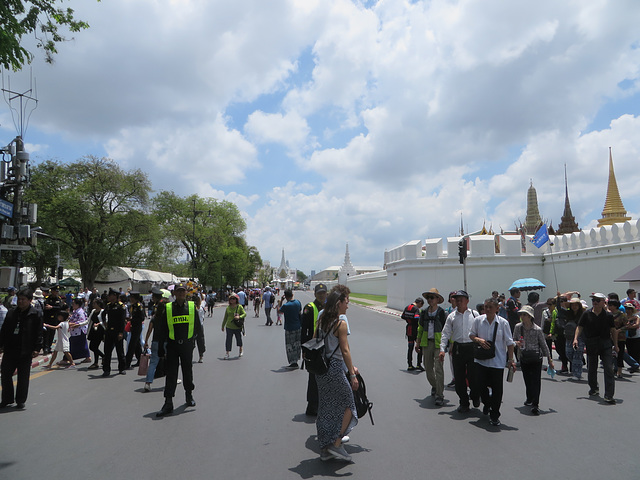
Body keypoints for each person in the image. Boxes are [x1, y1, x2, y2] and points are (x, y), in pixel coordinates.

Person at [315, 284, 358, 462]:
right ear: (339, 303)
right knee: (349, 405)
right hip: (334, 367)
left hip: (321, 368)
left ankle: (325, 447)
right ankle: (337, 443)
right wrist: (352, 374)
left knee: (326, 407)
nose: (347, 305)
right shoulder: (340, 323)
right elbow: (345, 350)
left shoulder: (322, 318)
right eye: (346, 302)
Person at [155, 283, 203, 417]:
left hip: (187, 346)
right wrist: (160, 348)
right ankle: (168, 403)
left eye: (183, 291)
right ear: (174, 293)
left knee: (187, 372)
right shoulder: (168, 308)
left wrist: (201, 347)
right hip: (172, 346)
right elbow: (162, 329)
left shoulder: (192, 307)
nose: (181, 293)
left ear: (186, 292)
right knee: (171, 375)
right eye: (179, 291)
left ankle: (189, 396)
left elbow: (199, 329)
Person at [469, 297, 516, 426]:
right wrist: (480, 340)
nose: (488, 309)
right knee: (480, 386)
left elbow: (510, 343)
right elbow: (471, 335)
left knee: (497, 390)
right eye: (486, 307)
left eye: (490, 307)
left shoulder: (503, 323)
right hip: (481, 361)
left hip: (497, 362)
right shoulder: (478, 320)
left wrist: (510, 360)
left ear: (497, 308)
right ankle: (487, 403)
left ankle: (495, 414)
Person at [0, 289, 43, 409]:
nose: (20, 301)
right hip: (10, 349)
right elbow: (4, 330)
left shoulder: (35, 314)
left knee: (23, 377)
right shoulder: (11, 312)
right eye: (19, 299)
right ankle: (7, 398)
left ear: (30, 300)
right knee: (6, 374)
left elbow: (39, 332)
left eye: (23, 299)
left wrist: (37, 348)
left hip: (26, 350)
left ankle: (20, 400)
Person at [439, 290, 479, 413]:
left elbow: (481, 331)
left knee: (474, 376)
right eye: (456, 299)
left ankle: (475, 395)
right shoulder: (451, 316)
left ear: (467, 300)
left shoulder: (474, 314)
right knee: (459, 377)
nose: (459, 301)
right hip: (458, 349)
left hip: (472, 348)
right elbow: (445, 333)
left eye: (461, 299)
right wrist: (442, 350)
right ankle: (464, 402)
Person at [573, 293, 617, 404]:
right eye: (593, 300)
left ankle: (609, 395)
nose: (595, 302)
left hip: (605, 343)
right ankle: (594, 388)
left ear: (603, 302)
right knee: (592, 368)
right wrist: (575, 339)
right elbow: (580, 327)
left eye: (598, 300)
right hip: (592, 343)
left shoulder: (608, 315)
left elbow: (613, 330)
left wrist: (615, 345)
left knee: (608, 368)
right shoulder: (586, 314)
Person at [513, 305, 554, 415]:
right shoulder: (518, 327)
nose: (522, 317)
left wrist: (550, 360)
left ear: (530, 316)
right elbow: (513, 341)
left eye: (525, 315)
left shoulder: (537, 329)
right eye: (521, 314)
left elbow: (544, 345)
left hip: (536, 357)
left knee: (536, 381)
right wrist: (516, 344)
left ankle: (535, 403)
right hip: (524, 357)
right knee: (527, 379)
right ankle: (529, 397)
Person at [301, 283, 328, 416]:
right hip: (314, 348)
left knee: (326, 377)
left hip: (327, 347)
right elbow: (304, 331)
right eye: (319, 293)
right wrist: (304, 349)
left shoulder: (330, 308)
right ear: (315, 294)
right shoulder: (309, 308)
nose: (322, 295)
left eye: (323, 293)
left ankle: (324, 405)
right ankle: (312, 406)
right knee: (314, 377)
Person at [417, 288, 446, 405]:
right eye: (428, 297)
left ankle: (440, 394)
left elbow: (447, 329)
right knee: (428, 368)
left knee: (438, 368)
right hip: (426, 343)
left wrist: (450, 344)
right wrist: (417, 342)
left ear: (437, 299)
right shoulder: (424, 312)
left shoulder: (441, 313)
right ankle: (435, 385)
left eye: (432, 297)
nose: (429, 299)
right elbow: (420, 328)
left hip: (438, 344)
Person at [143, 287, 169, 392]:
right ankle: (171, 380)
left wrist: (146, 341)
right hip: (167, 341)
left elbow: (150, 329)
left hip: (156, 341)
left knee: (153, 363)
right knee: (169, 362)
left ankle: (148, 383)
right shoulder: (167, 317)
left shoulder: (155, 316)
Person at [101, 288, 127, 377]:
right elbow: (103, 314)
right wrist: (104, 322)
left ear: (115, 296)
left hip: (117, 331)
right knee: (107, 351)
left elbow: (122, 321)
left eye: (110, 295)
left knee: (120, 351)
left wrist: (121, 332)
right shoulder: (108, 306)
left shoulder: (121, 306)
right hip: (109, 331)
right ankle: (106, 370)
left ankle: (122, 368)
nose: (108, 297)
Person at [278, 289, 303, 368]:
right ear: (292, 295)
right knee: (297, 344)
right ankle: (296, 359)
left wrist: (281, 301)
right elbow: (299, 311)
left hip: (289, 328)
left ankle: (293, 362)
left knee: (290, 345)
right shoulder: (298, 302)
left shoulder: (286, 305)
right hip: (298, 326)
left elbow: (279, 311)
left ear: (285, 296)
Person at [564, 297, 585, 381]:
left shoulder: (583, 314)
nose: (574, 307)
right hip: (569, 336)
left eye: (576, 305)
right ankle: (578, 364)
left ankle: (577, 373)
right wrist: (558, 297)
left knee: (577, 355)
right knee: (568, 353)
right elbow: (559, 308)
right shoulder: (568, 313)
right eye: (573, 305)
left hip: (580, 336)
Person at [41, 285, 66, 354]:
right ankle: (45, 347)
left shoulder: (58, 299)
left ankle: (49, 347)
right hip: (47, 318)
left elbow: (60, 307)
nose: (56, 292)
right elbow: (45, 306)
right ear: (52, 291)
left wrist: (52, 307)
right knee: (46, 333)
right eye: (55, 291)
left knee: (52, 333)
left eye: (57, 291)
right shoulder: (48, 298)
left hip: (55, 318)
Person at [401, 297, 424, 371]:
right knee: (419, 347)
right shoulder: (416, 309)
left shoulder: (407, 307)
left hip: (408, 330)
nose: (420, 307)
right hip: (415, 330)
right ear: (420, 303)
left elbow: (402, 316)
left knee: (410, 348)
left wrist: (409, 320)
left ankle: (409, 365)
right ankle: (418, 364)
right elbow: (417, 318)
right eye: (421, 305)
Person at [221, 293, 246, 359]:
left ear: (236, 300)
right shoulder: (228, 308)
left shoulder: (239, 307)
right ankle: (227, 353)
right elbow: (225, 317)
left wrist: (239, 317)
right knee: (228, 340)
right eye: (231, 299)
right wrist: (223, 325)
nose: (232, 300)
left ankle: (240, 349)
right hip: (229, 326)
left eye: (233, 299)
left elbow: (244, 314)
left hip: (237, 326)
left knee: (238, 338)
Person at [125, 292, 145, 369]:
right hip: (133, 326)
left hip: (137, 327)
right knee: (137, 345)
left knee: (132, 345)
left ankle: (127, 363)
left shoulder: (139, 306)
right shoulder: (132, 306)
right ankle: (139, 360)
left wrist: (132, 319)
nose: (130, 299)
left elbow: (142, 318)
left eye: (132, 297)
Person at [68, 298, 91, 364]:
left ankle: (67, 358)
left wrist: (71, 324)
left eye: (73, 304)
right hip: (75, 331)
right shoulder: (75, 311)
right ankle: (87, 357)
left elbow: (82, 321)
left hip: (79, 330)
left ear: (78, 305)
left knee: (73, 345)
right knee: (82, 345)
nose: (72, 305)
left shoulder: (80, 312)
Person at [86, 298, 105, 369]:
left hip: (99, 331)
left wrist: (99, 324)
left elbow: (105, 321)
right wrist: (78, 324)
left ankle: (102, 357)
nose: (93, 305)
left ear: (99, 304)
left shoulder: (102, 311)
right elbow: (88, 320)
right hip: (93, 331)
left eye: (94, 303)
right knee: (94, 347)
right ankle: (97, 362)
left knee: (93, 347)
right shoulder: (93, 311)